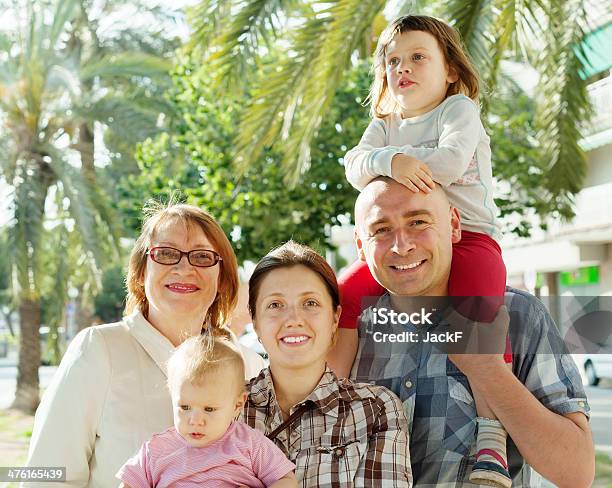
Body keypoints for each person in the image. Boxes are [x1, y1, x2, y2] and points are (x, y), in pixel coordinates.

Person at [334, 14, 509, 486]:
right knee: (343, 294)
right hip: (402, 242)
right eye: (393, 61)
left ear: (450, 69)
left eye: (417, 57)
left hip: (469, 237)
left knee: (480, 317)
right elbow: (353, 165)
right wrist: (391, 159)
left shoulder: (458, 110)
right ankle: (330, 401)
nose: (403, 68)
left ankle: (491, 439)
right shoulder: (386, 123)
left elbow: (451, 165)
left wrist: (387, 171)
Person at [351, 177, 594, 488]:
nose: (403, 245)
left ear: (453, 225)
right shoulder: (347, 335)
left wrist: (489, 370)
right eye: (381, 230)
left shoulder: (518, 316)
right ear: (360, 244)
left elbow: (576, 471)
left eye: (418, 222)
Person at [25, 202, 266, 487]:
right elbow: (47, 474)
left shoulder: (250, 365)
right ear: (140, 273)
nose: (184, 267)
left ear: (222, 279)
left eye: (202, 257)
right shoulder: (99, 349)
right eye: (165, 253)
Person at [241, 241, 412, 487]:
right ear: (256, 322)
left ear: (335, 318)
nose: (294, 319)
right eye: (275, 305)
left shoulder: (375, 410)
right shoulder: (224, 409)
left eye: (310, 303)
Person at [117, 335, 296, 487]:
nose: (195, 420)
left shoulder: (249, 443)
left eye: (209, 409)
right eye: (185, 407)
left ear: (237, 404)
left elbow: (286, 480)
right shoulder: (155, 450)